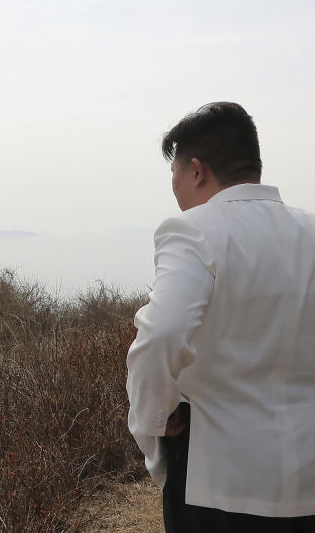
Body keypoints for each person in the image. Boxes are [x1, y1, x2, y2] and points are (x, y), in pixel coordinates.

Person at [126, 102, 315, 532]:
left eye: (174, 175)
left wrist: (152, 430)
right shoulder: (311, 231)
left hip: (218, 482)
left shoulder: (193, 230)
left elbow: (161, 336)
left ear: (196, 170)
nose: (174, 189)